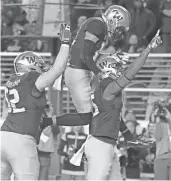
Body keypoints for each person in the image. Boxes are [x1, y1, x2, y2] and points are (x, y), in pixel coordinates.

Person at [68, 29, 161, 180]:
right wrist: (148, 49)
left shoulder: (103, 86)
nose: (120, 70)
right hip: (100, 143)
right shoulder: (107, 86)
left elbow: (114, 116)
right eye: (117, 67)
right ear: (109, 70)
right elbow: (130, 73)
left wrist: (128, 135)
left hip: (106, 142)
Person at [0, 24, 71, 180]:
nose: (41, 69)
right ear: (30, 66)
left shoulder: (11, 80)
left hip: (3, 137)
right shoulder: (31, 79)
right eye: (39, 66)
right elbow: (57, 69)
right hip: (21, 140)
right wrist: (65, 44)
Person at [53, 5, 132, 125]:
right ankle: (46, 122)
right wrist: (100, 74)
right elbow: (85, 56)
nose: (119, 33)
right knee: (87, 117)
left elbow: (89, 54)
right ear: (113, 20)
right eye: (119, 28)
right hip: (78, 72)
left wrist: (111, 57)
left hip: (80, 71)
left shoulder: (99, 25)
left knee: (101, 109)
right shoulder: (98, 25)